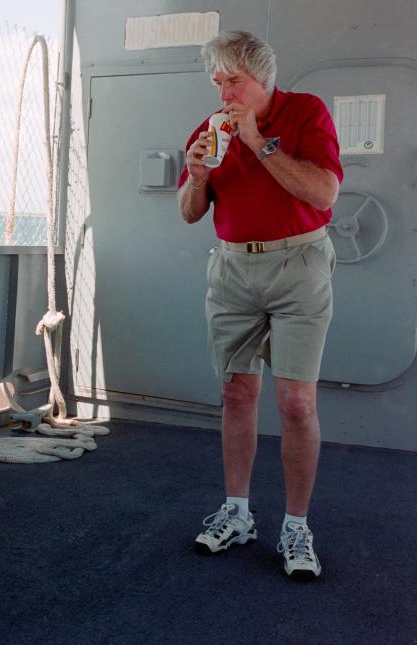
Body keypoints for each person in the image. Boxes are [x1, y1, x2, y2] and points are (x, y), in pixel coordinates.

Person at [177, 31, 342, 580]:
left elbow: (323, 194)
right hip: (231, 269)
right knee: (235, 392)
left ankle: (296, 524)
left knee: (296, 401)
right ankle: (238, 512)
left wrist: (258, 143)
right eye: (218, 82)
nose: (224, 92)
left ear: (263, 78)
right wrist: (197, 179)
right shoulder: (210, 128)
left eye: (234, 81)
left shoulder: (305, 113)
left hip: (299, 266)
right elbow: (189, 212)